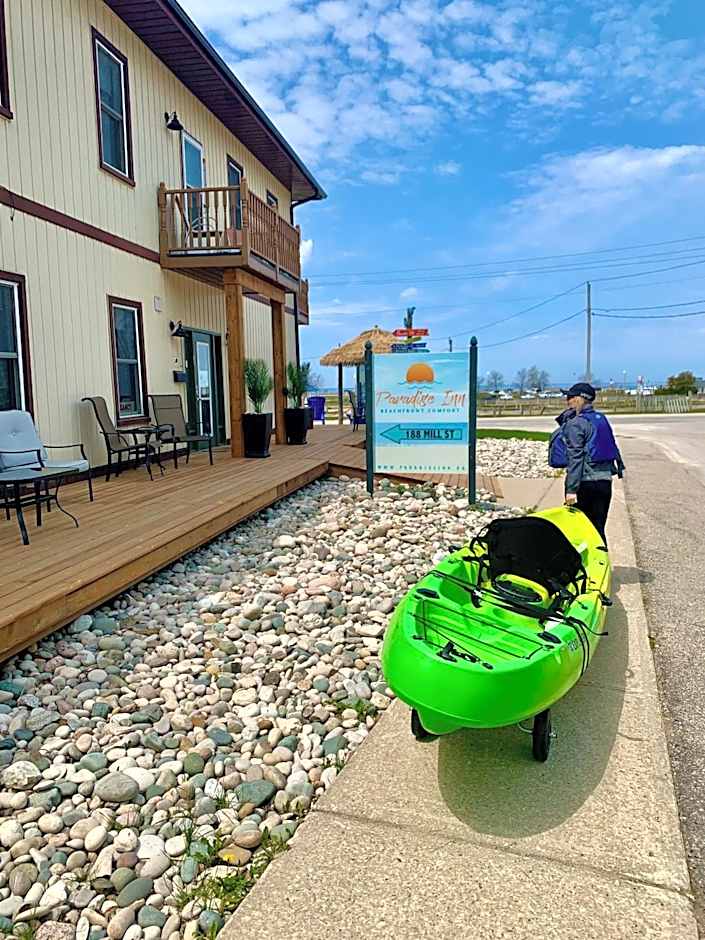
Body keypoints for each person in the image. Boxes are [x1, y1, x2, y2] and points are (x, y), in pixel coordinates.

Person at [548, 382, 625, 541]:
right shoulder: (601, 419)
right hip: (605, 482)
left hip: (586, 484)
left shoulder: (576, 424)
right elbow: (611, 447)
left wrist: (571, 490)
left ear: (579, 399)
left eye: (570, 397)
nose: (567, 401)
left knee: (582, 530)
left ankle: (586, 564)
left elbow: (576, 458)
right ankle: (602, 563)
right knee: (598, 529)